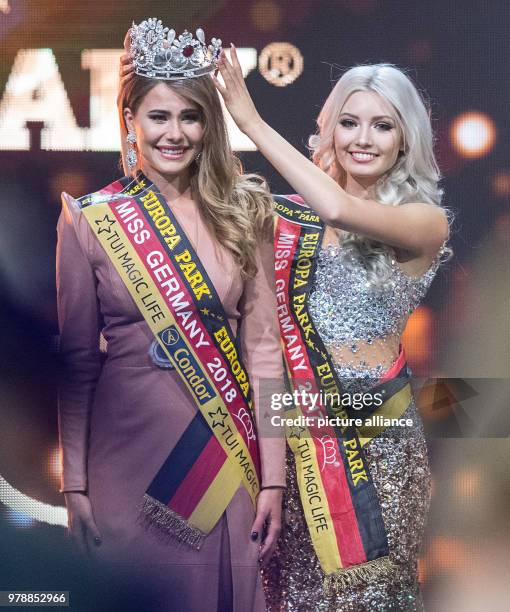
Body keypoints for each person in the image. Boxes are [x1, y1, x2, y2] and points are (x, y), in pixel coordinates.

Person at [57, 20, 285, 612]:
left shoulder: (246, 214)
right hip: (121, 460)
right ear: (131, 119)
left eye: (191, 116)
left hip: (221, 457)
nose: (175, 133)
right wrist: (74, 486)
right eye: (159, 116)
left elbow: (264, 354)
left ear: (210, 125)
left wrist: (275, 479)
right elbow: (77, 364)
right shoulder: (89, 220)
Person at [213, 48, 450, 610]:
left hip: (379, 450)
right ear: (329, 129)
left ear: (404, 139)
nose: (363, 138)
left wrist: (250, 122)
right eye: (349, 122)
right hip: (294, 448)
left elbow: (339, 209)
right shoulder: (287, 219)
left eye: (382, 125)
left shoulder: (423, 221)